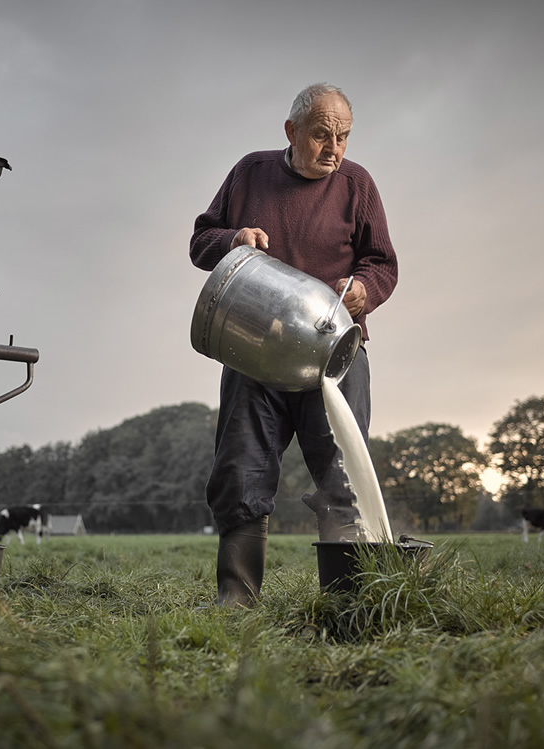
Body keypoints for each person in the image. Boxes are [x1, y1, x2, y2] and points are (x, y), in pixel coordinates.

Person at [189, 83, 398, 607]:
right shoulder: (250, 173)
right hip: (256, 349)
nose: (334, 149)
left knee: (342, 473)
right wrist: (233, 240)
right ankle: (236, 602)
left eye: (343, 137)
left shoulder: (357, 184)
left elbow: (383, 263)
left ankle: (347, 601)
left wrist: (363, 291)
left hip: (335, 357)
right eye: (322, 135)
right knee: (240, 469)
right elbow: (200, 241)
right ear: (291, 132)